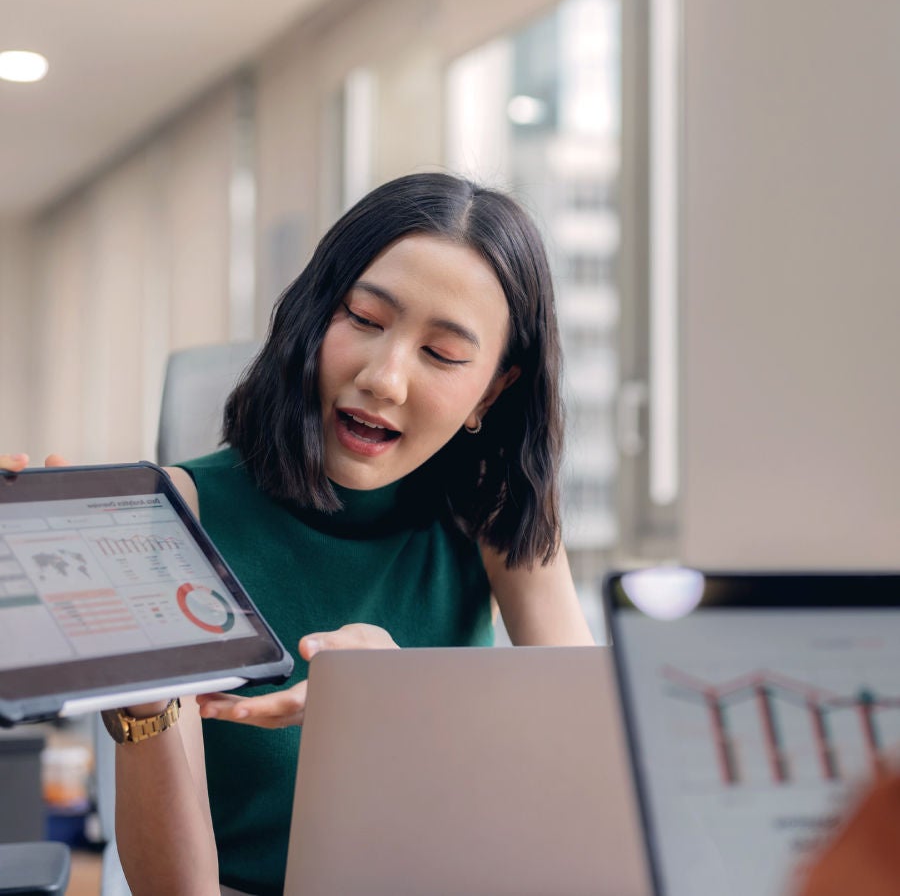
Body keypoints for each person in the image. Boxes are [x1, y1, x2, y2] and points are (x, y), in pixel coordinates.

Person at [0, 172, 594, 896]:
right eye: (365, 319)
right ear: (316, 316)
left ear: (492, 392)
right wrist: (146, 696)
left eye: (441, 355)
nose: (384, 378)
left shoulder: (495, 515)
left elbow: (588, 798)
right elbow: (176, 890)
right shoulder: (176, 512)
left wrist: (403, 705)